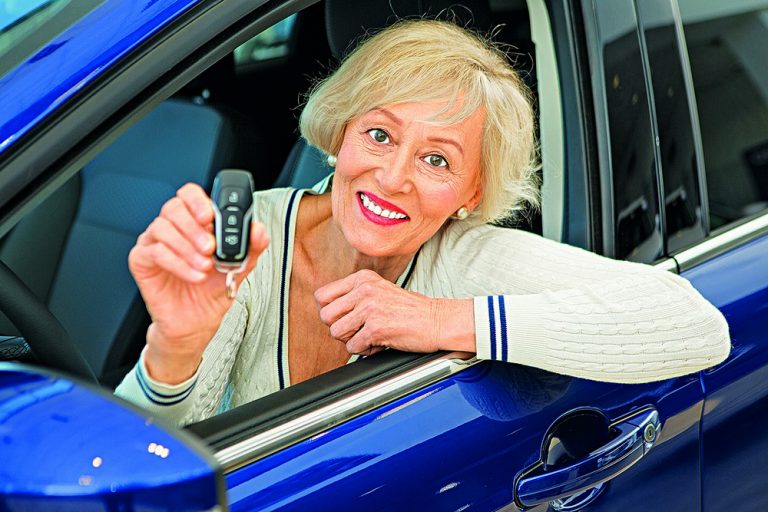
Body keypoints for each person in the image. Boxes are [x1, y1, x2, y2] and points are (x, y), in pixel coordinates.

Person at [115, 19, 731, 425]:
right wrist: (175, 348)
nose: (392, 178)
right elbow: (148, 452)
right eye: (380, 135)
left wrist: (439, 319)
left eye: (437, 159)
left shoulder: (462, 256)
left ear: (472, 191)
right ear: (341, 133)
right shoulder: (255, 235)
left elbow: (696, 325)